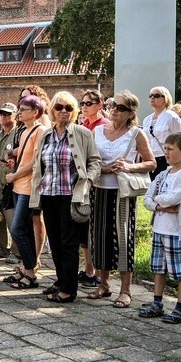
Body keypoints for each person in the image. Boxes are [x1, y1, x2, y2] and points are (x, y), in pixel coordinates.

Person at [30, 91, 101, 303]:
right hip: (49, 194)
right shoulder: (46, 135)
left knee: (68, 243)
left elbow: (95, 161)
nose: (63, 111)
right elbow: (38, 165)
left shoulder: (82, 133)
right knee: (55, 242)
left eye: (69, 108)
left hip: (71, 195)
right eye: (59, 107)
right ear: (52, 110)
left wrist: (87, 181)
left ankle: (69, 290)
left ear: (74, 111)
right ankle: (61, 280)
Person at [88, 91, 156, 307]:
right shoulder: (97, 131)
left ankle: (126, 290)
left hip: (122, 192)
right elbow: (90, 159)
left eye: (121, 108)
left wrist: (129, 166)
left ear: (131, 113)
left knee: (123, 238)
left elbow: (151, 162)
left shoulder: (136, 134)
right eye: (113, 105)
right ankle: (103, 283)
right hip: (99, 188)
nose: (114, 110)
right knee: (99, 237)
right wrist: (103, 168)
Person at [142, 131, 181, 324]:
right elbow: (147, 199)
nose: (166, 153)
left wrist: (159, 201)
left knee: (180, 270)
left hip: (176, 230)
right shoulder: (163, 174)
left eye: (170, 149)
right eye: (165, 149)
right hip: (160, 227)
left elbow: (174, 198)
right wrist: (160, 205)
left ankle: (180, 308)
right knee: (158, 267)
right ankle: (157, 302)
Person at [4, 95, 46, 288]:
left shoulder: (40, 131)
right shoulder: (24, 131)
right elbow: (23, 157)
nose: (19, 112)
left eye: (23, 109)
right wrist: (13, 163)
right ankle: (27, 270)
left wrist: (15, 174)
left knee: (17, 229)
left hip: (29, 186)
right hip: (19, 185)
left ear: (35, 112)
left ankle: (30, 272)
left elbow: (35, 162)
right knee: (25, 230)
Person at [76, 89, 109, 287]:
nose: (85, 106)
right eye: (83, 103)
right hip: (82, 182)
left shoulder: (103, 127)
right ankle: (88, 269)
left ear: (100, 105)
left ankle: (97, 272)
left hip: (98, 181)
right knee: (83, 227)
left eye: (89, 103)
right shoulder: (82, 125)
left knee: (94, 228)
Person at [0, 101, 20, 261]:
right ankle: (2, 247)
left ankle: (16, 251)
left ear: (15, 115)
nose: (3, 116)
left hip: (11, 182)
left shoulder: (18, 133)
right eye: (1, 113)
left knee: (12, 218)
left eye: (7, 113)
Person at [142, 86, 181, 179]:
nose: (152, 98)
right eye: (151, 95)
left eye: (156, 95)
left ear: (165, 99)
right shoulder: (147, 119)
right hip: (151, 159)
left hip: (166, 158)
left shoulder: (172, 117)